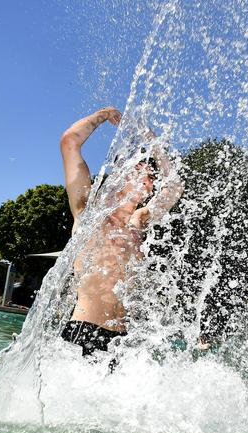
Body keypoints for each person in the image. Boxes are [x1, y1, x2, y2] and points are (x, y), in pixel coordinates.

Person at [59, 106, 183, 360]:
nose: (146, 181)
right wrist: (102, 115)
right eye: (138, 171)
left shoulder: (139, 222)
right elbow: (70, 141)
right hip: (84, 333)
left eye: (150, 177)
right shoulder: (88, 213)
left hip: (122, 343)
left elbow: (175, 187)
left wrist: (150, 137)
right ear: (119, 174)